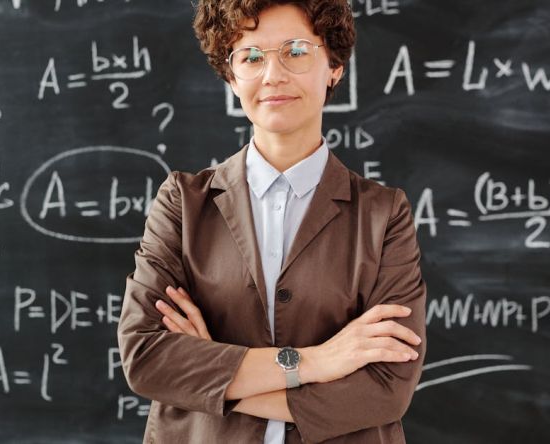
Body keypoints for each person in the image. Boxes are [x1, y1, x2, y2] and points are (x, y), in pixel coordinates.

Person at [117, 1, 427, 442]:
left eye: (296, 51)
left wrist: (213, 378)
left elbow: (385, 389)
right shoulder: (183, 203)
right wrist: (316, 361)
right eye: (251, 56)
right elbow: (147, 357)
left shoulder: (384, 214)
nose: (272, 75)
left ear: (334, 66)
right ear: (231, 75)